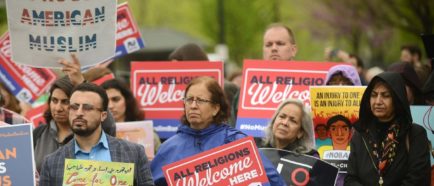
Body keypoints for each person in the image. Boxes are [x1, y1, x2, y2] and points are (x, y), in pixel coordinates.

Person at [150, 76, 285, 185]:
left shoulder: (236, 142)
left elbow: (274, 180)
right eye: (189, 100)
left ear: (215, 108)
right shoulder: (168, 148)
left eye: (200, 100)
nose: (193, 106)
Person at [39, 83, 154, 186]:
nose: (79, 113)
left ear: (103, 115)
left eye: (87, 108)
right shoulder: (52, 162)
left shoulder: (134, 152)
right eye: (74, 107)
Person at [345, 72, 431, 185]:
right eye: (374, 95)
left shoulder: (414, 134)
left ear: (397, 99)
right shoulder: (360, 134)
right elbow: (350, 179)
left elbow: (418, 178)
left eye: (385, 96)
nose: (378, 102)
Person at [33, 55, 116, 172]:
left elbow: (108, 124)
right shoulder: (38, 134)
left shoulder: (90, 131)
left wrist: (81, 82)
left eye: (65, 102)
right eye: (54, 100)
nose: (58, 108)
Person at [101, 79, 161, 153]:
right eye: (106, 101)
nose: (110, 106)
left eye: (116, 99)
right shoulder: (93, 134)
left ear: (127, 101)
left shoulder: (146, 133)